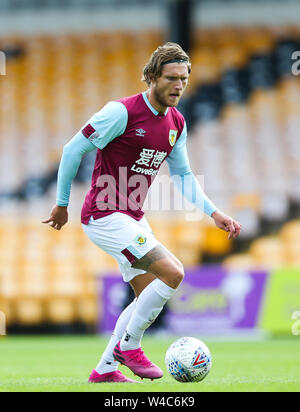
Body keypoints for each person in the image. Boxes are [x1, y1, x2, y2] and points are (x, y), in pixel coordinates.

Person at [42, 42, 241, 383]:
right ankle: (129, 347)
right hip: (103, 214)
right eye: (171, 78)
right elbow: (73, 149)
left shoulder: (176, 122)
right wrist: (62, 204)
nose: (178, 86)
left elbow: (182, 175)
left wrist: (213, 212)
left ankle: (105, 369)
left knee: (146, 293)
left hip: (132, 215)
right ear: (152, 76)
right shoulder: (120, 112)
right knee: (173, 273)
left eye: (184, 78)